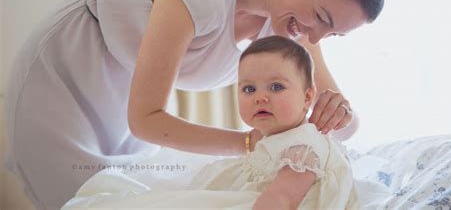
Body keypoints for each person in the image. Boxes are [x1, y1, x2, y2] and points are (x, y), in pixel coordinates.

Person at [4, 0, 386, 210]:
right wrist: (252, 145)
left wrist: (340, 110)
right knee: (71, 197)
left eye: (331, 33)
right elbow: (147, 119)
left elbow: (346, 127)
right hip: (68, 68)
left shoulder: (290, 21)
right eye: (321, 16)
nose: (315, 36)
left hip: (126, 84)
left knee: (122, 192)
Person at [62, 36, 359, 209]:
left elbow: (282, 198)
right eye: (249, 89)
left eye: (277, 87)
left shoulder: (304, 145)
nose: (260, 98)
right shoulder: (273, 137)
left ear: (308, 98)